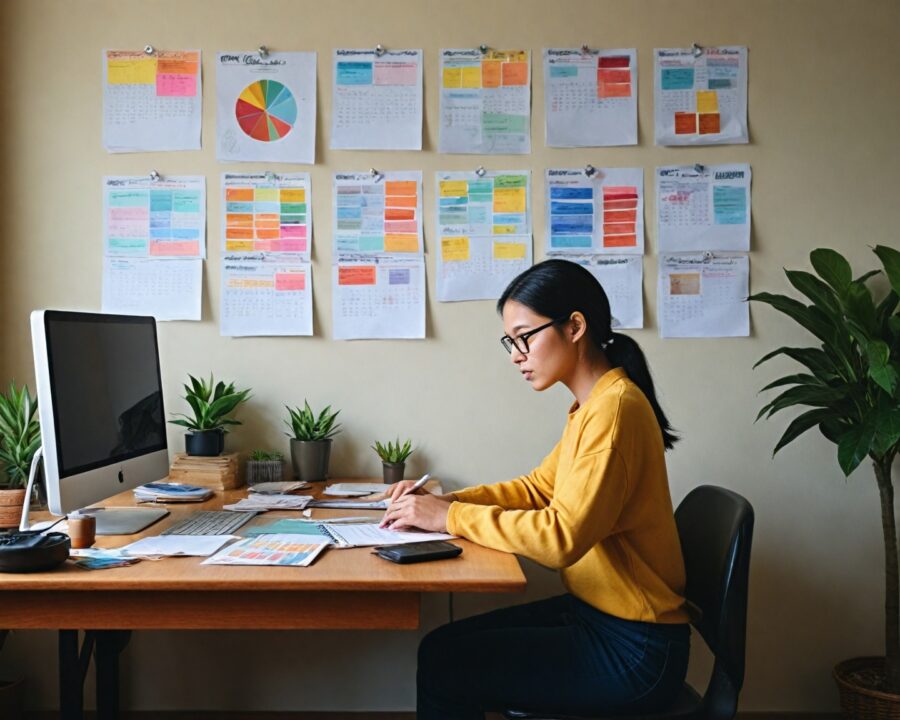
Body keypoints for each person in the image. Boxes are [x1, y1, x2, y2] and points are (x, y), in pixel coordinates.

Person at [381, 258, 690, 720]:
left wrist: (448, 518)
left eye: (525, 336)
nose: (515, 354)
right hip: (601, 619)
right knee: (442, 647)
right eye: (511, 341)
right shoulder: (591, 406)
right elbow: (537, 488)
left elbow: (561, 538)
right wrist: (445, 502)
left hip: (635, 651)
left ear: (575, 327)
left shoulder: (615, 410)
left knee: (447, 663)